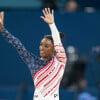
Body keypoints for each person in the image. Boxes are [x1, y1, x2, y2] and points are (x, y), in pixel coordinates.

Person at [0, 8, 67, 100]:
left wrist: (52, 25)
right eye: (41, 45)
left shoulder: (60, 61)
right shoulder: (33, 61)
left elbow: (57, 41)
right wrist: (3, 30)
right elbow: (18, 45)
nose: (42, 48)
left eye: (46, 46)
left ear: (54, 48)